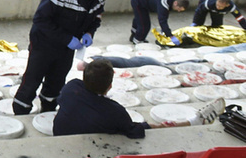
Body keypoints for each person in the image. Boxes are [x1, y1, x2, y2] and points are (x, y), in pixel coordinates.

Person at [12, 0, 113, 115]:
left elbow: (96, 18)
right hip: (44, 43)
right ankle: (21, 110)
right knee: (33, 79)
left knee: (57, 81)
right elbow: (40, 20)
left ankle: (48, 110)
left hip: (68, 48)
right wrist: (66, 38)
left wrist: (89, 33)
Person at [54, 59, 224, 137]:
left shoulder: (71, 87)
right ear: (109, 87)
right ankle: (192, 122)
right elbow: (136, 132)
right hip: (89, 148)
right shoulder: (114, 111)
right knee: (142, 127)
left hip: (60, 134)